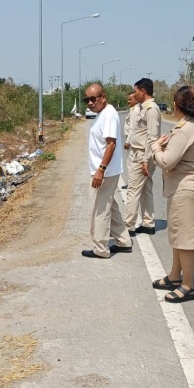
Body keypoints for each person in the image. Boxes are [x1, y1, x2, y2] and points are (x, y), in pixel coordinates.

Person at [150, 85, 194, 303]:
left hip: (186, 188)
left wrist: (155, 147)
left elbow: (166, 161)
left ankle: (188, 285)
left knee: (184, 240)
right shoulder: (193, 126)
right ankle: (175, 276)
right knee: (177, 235)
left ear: (176, 105)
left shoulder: (185, 130)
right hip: (184, 187)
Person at [82, 83, 133, 259]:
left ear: (103, 97)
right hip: (105, 171)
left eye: (93, 99)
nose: (90, 103)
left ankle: (100, 249)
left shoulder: (109, 114)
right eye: (87, 100)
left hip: (105, 172)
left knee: (100, 210)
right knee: (110, 206)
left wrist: (101, 170)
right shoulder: (102, 114)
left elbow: (111, 144)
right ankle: (124, 241)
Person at [124, 78, 161, 236]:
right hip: (140, 153)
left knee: (132, 190)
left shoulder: (151, 109)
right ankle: (148, 223)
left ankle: (128, 226)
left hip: (142, 155)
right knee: (145, 190)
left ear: (143, 91)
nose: (134, 94)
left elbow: (152, 137)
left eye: (136, 91)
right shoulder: (142, 108)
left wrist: (146, 160)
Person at [122, 91, 139, 190]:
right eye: (128, 99)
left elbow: (133, 128)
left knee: (130, 163)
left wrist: (127, 141)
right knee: (130, 163)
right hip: (131, 139)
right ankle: (131, 182)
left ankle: (131, 184)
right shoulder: (132, 110)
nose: (128, 101)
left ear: (136, 100)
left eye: (130, 99)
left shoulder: (135, 111)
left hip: (131, 140)